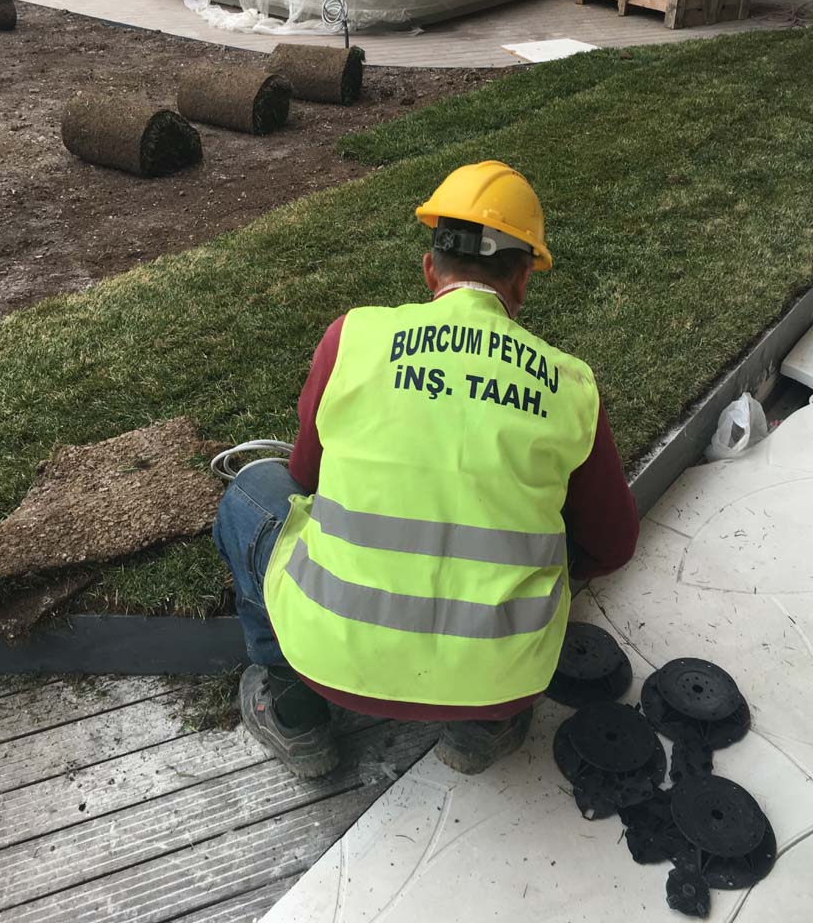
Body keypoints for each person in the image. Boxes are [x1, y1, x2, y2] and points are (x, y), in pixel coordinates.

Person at [213, 161, 639, 779]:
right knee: (562, 522)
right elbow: (613, 545)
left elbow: (304, 476)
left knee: (254, 489)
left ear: (430, 269)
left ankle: (294, 713)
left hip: (331, 655)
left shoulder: (352, 337)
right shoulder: (570, 384)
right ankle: (482, 729)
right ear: (523, 279)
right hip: (503, 679)